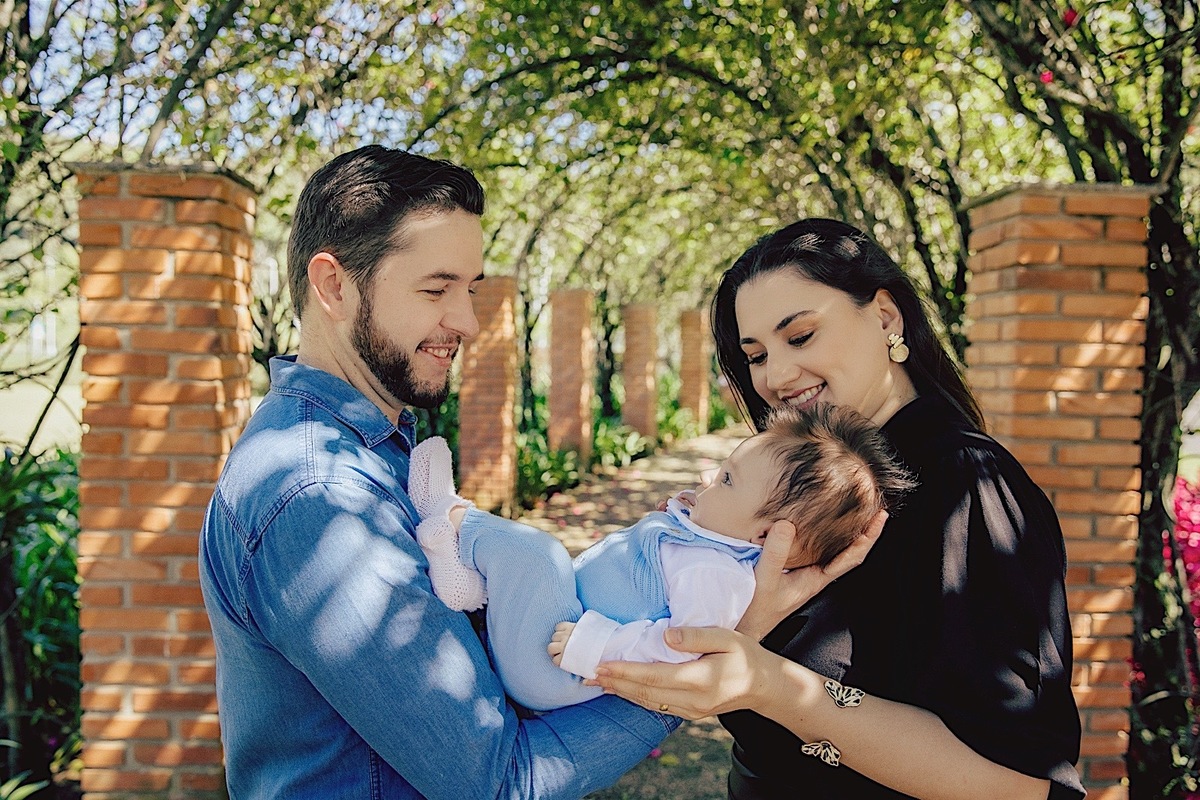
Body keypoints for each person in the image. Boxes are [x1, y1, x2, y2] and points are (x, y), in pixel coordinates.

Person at [198, 144, 681, 799]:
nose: (468, 323)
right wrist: (684, 672)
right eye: (436, 289)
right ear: (334, 286)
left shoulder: (373, 451)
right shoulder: (320, 495)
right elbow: (499, 783)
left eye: (470, 290)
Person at [591, 218, 1085, 800]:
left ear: (886, 317)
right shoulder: (801, 490)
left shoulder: (962, 485)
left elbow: (1021, 785)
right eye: (756, 355)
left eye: (800, 337)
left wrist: (770, 684)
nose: (776, 376)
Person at [407, 403, 913, 712]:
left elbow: (679, 649)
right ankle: (470, 579)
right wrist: (693, 508)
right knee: (540, 568)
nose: (709, 477)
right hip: (555, 637)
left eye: (728, 479)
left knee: (542, 555)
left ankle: (450, 519)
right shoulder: (710, 542)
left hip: (559, 664)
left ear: (765, 535)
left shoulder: (717, 575)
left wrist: (595, 647)